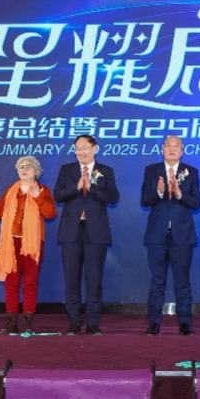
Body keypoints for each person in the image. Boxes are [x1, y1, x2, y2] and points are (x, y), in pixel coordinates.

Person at [54, 135, 120, 335]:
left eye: (84, 148)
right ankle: (74, 322)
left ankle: (93, 323)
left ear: (94, 149)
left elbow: (113, 197)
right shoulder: (67, 170)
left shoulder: (106, 171)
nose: (80, 152)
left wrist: (92, 188)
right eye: (77, 148)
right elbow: (58, 195)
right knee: (71, 279)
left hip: (96, 232)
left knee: (94, 280)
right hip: (70, 232)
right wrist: (76, 187)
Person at [0, 155, 57, 334]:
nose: (24, 169)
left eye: (28, 166)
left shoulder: (43, 190)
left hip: (32, 244)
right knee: (11, 283)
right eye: (21, 167)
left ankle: (27, 322)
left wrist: (37, 197)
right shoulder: (11, 190)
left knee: (30, 283)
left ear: (36, 171)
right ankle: (11, 321)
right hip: (11, 243)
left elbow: (50, 214)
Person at [141, 135, 200, 336]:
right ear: (162, 149)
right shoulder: (151, 170)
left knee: (182, 281)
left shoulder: (191, 172)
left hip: (182, 235)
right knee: (157, 280)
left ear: (182, 151)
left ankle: (185, 323)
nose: (172, 149)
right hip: (157, 234)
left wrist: (179, 194)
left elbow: (196, 203)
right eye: (168, 145)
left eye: (176, 146)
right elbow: (144, 200)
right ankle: (153, 322)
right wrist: (159, 192)